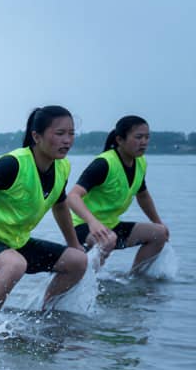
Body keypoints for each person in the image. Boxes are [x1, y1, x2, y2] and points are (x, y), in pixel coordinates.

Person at [0, 106, 86, 312]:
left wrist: (74, 244)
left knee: (78, 260)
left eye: (71, 134)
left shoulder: (62, 166)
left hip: (17, 242)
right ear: (36, 136)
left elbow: (60, 205)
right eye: (60, 133)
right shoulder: (13, 164)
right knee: (15, 264)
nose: (67, 140)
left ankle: (48, 314)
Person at [66, 115, 169, 273]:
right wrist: (93, 223)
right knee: (107, 240)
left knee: (159, 233)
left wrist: (158, 221)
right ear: (120, 140)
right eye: (138, 137)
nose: (144, 142)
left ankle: (137, 282)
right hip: (83, 227)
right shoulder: (104, 164)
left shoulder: (140, 162)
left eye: (147, 137)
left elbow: (143, 195)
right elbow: (73, 196)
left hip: (111, 225)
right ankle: (84, 283)